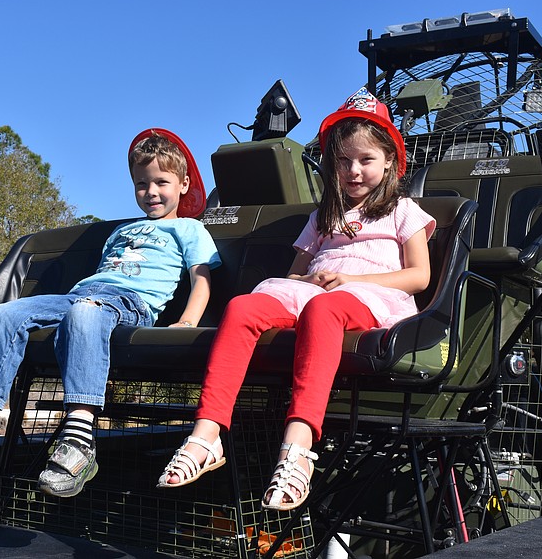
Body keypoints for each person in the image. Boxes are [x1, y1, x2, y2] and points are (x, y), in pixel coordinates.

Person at [157, 88, 436, 511]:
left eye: (366, 160)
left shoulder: (402, 210)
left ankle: (298, 447)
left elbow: (419, 276)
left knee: (324, 308)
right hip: (315, 292)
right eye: (343, 162)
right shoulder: (323, 216)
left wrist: (348, 278)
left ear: (391, 163)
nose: (354, 171)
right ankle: (207, 432)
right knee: (243, 307)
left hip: (372, 297)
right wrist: (314, 276)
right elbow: (294, 274)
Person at [0, 128, 221, 499]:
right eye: (141, 184)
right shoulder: (124, 230)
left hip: (129, 304)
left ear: (184, 184)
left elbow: (202, 280)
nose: (151, 192)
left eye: (161, 182)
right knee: (4, 315)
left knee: (85, 314)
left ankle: (79, 441)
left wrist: (187, 321)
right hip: (81, 295)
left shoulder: (189, 228)